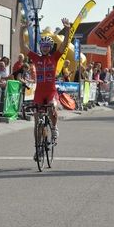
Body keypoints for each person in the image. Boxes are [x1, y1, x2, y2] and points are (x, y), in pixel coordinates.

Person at [19, 18, 72, 159]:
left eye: (48, 46)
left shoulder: (54, 57)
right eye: (43, 46)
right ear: (40, 47)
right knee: (37, 123)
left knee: (52, 107)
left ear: (50, 47)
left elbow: (65, 45)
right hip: (39, 93)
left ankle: (54, 128)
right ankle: (38, 148)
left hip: (51, 92)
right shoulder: (36, 58)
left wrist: (67, 30)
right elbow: (23, 48)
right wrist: (21, 31)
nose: (45, 48)